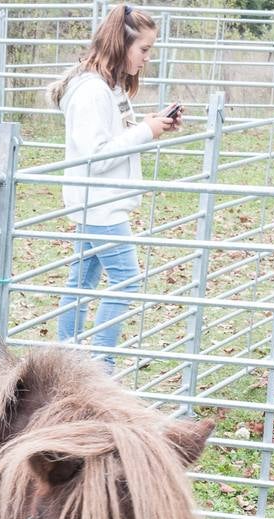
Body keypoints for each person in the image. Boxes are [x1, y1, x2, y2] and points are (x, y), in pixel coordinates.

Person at [50, 3, 179, 358]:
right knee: (125, 282)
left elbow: (112, 136)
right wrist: (144, 132)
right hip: (100, 205)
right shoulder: (92, 92)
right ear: (121, 45)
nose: (146, 59)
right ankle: (98, 369)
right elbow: (97, 157)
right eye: (144, 50)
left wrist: (151, 125)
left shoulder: (110, 87)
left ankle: (67, 362)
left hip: (98, 202)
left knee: (80, 285)